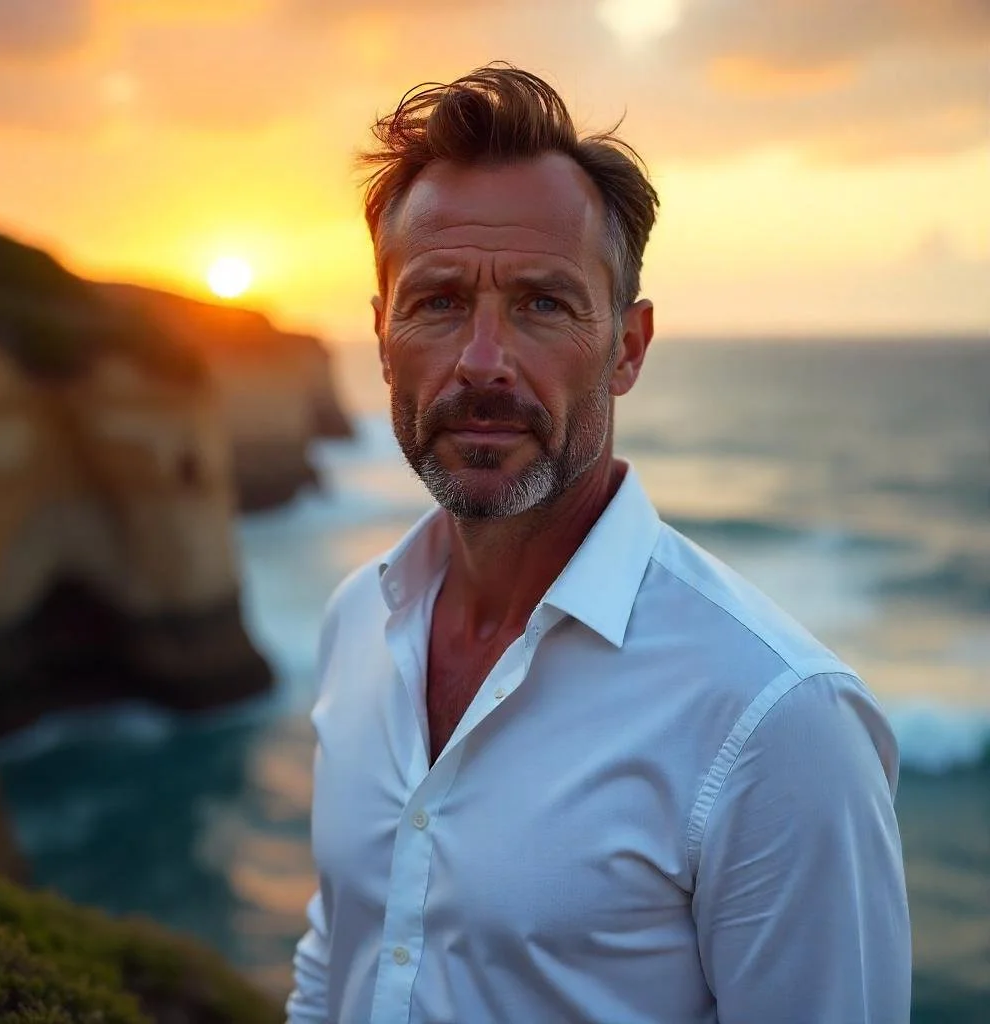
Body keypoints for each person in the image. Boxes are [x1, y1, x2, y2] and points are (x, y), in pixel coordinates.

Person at [286, 65, 911, 1024]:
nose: (483, 362)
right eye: (438, 301)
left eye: (543, 304)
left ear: (627, 347)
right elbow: (339, 958)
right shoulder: (357, 623)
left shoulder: (781, 723)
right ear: (381, 337)